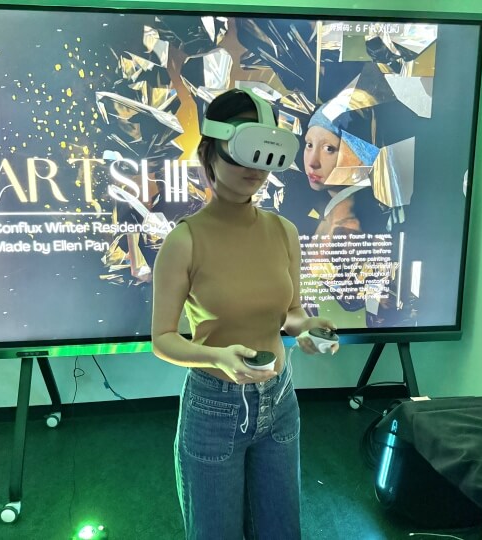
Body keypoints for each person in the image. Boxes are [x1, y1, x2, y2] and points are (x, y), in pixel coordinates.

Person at [151, 88, 338, 540]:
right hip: (213, 409)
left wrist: (307, 326)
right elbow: (163, 339)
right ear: (211, 153)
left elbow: (289, 314)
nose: (254, 170)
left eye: (265, 156)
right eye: (242, 154)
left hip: (281, 403)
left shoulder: (284, 231)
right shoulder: (185, 241)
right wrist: (217, 358)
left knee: (281, 531)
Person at [302, 100, 403, 328]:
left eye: (329, 149)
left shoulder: (351, 229)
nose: (312, 161)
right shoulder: (327, 214)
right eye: (309, 144)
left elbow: (361, 301)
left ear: (358, 155)